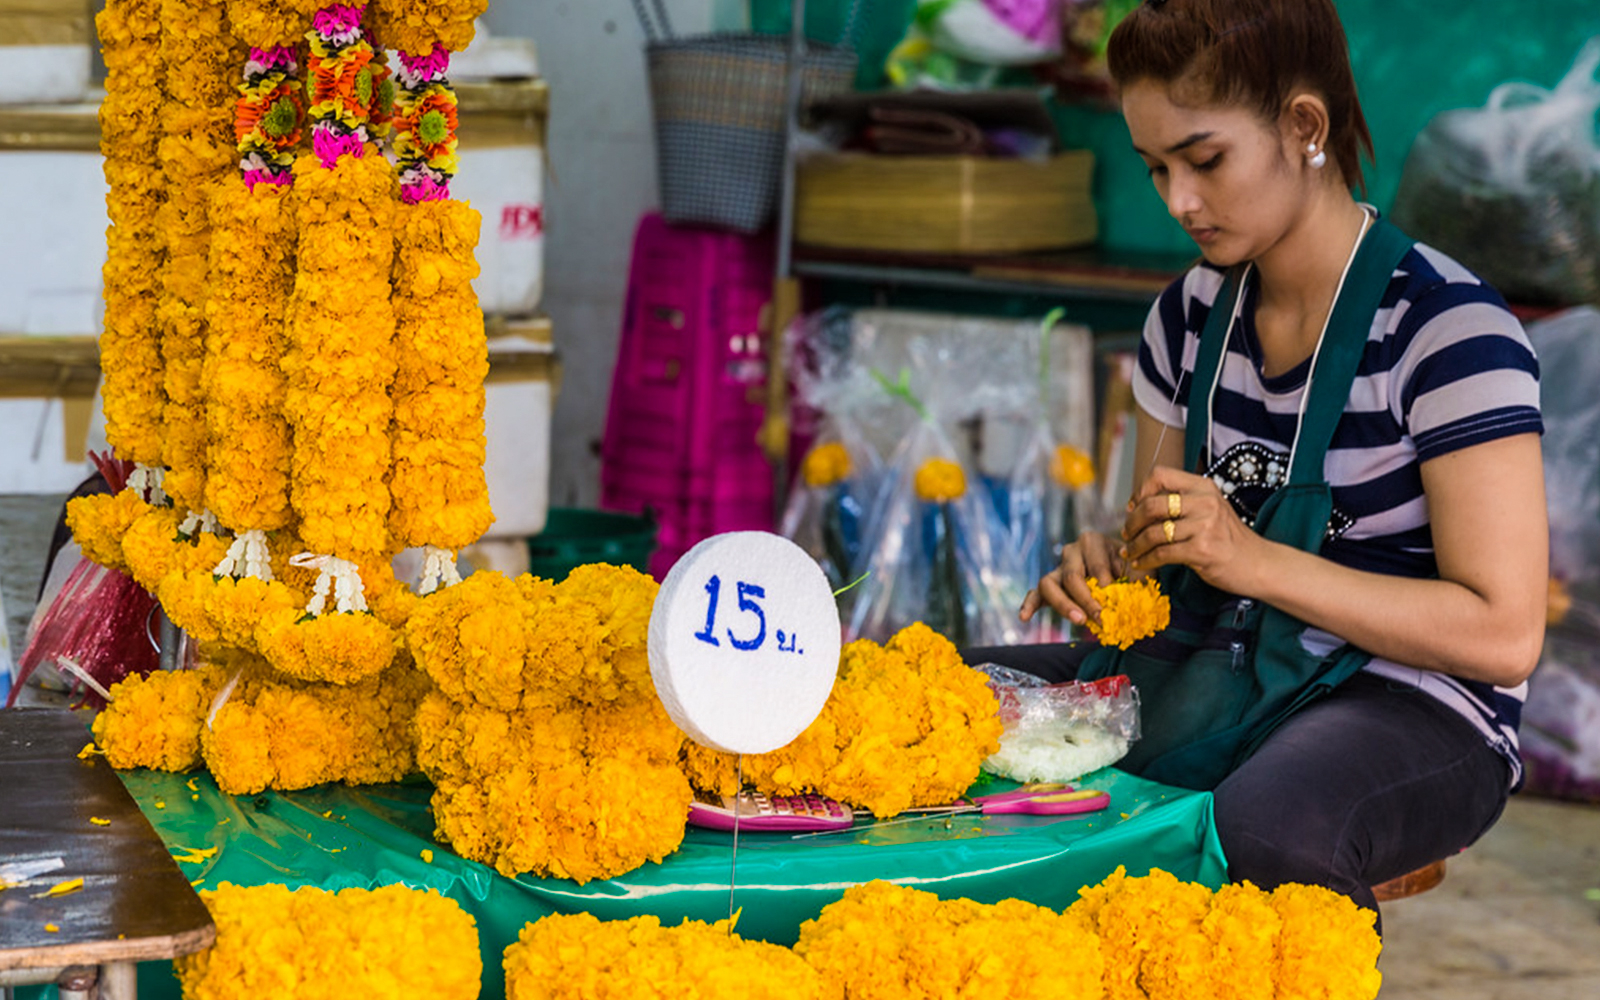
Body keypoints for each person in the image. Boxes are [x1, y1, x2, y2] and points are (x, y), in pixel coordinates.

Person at [967, 0, 1548, 925]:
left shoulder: (1448, 333)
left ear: (1304, 128)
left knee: (1271, 828)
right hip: (1218, 659)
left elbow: (1503, 633)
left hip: (1408, 697)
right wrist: (1108, 568)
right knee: (934, 699)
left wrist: (1248, 559)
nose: (1178, 201)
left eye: (1205, 160)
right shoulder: (1188, 319)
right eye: (1155, 168)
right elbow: (1158, 557)